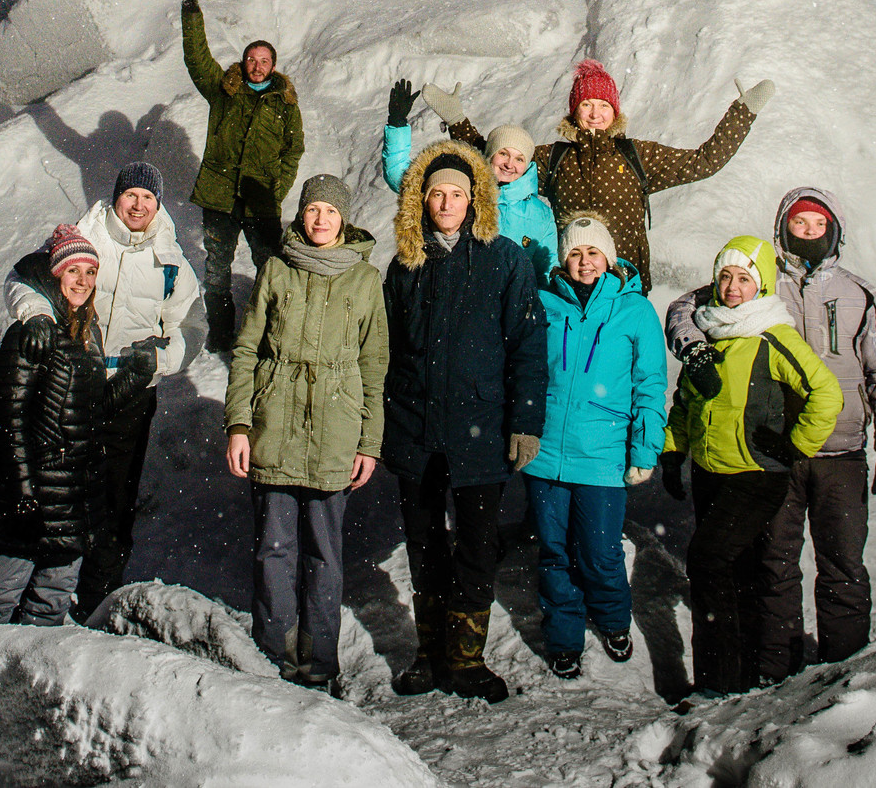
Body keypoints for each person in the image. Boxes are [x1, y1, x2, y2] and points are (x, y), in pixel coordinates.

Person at [664, 187, 876, 667]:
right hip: (774, 452)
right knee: (774, 568)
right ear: (783, 230)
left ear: (834, 231)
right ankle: (776, 671)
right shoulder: (761, 280)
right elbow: (684, 309)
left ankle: (847, 672)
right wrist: (693, 348)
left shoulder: (859, 294)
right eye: (800, 225)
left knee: (843, 565)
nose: (809, 233)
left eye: (819, 226)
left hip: (841, 453)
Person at [382, 141, 547, 703]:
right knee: (424, 545)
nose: (447, 202)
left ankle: (466, 657)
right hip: (414, 427)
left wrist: (525, 421)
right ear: (421, 202)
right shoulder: (405, 264)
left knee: (476, 546)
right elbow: (384, 349)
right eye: (436, 194)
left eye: (457, 193)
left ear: (475, 198)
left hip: (481, 431)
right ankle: (428, 654)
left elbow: (528, 345)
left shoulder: (505, 259)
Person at [2, 161, 199, 612]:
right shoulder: (84, 236)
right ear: (116, 197)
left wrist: (161, 359)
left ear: (158, 204)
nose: (137, 205)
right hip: (70, 383)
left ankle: (95, 596)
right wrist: (36, 314)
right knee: (55, 490)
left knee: (113, 497)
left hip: (130, 391)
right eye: (130, 195)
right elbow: (22, 279)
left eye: (147, 198)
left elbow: (192, 325)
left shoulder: (170, 261)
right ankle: (38, 593)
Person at [223, 172, 387, 688]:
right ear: (302, 215)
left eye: (331, 212)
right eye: (314, 210)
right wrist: (239, 425)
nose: (321, 220)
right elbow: (247, 349)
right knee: (273, 549)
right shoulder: (276, 269)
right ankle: (273, 659)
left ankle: (318, 666)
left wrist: (369, 442)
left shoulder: (364, 279)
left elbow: (373, 363)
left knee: (324, 553)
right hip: (275, 429)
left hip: (336, 434)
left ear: (345, 220)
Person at [661, 236, 841, 697]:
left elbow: (827, 394)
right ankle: (737, 679)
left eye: (744, 278)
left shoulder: (772, 335)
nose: (732, 287)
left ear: (760, 285)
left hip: (756, 476)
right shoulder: (711, 329)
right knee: (735, 572)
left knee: (707, 561)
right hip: (709, 473)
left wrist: (793, 446)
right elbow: (687, 399)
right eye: (725, 276)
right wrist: (673, 451)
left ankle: (716, 683)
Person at [429, 59, 771, 286]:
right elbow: (501, 161)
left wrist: (743, 112)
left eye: (603, 105)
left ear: (615, 111)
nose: (595, 114)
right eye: (587, 105)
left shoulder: (639, 156)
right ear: (574, 110)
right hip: (569, 282)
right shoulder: (556, 158)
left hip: (625, 282)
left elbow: (703, 162)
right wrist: (458, 120)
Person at [525, 215, 667, 679]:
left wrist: (644, 449)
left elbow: (650, 385)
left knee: (600, 552)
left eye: (592, 253)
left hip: (603, 455)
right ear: (563, 259)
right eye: (575, 254)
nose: (584, 263)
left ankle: (611, 619)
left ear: (608, 256)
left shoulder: (635, 310)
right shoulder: (544, 302)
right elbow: (522, 370)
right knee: (553, 552)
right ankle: (563, 636)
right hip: (546, 453)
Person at [0, 224, 111, 626]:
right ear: (55, 274)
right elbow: (10, 420)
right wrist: (22, 488)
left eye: (90, 272)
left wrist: (135, 376)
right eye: (73, 271)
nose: (82, 281)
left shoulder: (87, 334)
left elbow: (89, 413)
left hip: (71, 498)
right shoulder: (30, 333)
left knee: (50, 604)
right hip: (32, 495)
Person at [183, 0, 305, 351]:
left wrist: (276, 190)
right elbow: (197, 60)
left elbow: (293, 150)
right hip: (219, 198)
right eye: (251, 59)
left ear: (273, 64)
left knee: (269, 269)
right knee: (217, 271)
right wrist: (192, 20)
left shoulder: (285, 104)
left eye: (263, 60)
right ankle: (221, 333)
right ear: (243, 62)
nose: (256, 65)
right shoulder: (224, 91)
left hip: (261, 201)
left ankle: (271, 334)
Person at [383, 78, 558, 282]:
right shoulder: (464, 190)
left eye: (519, 159)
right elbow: (403, 179)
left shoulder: (540, 214)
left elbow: (547, 270)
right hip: (463, 293)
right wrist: (397, 125)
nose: (509, 164)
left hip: (513, 304)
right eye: (503, 153)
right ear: (490, 154)